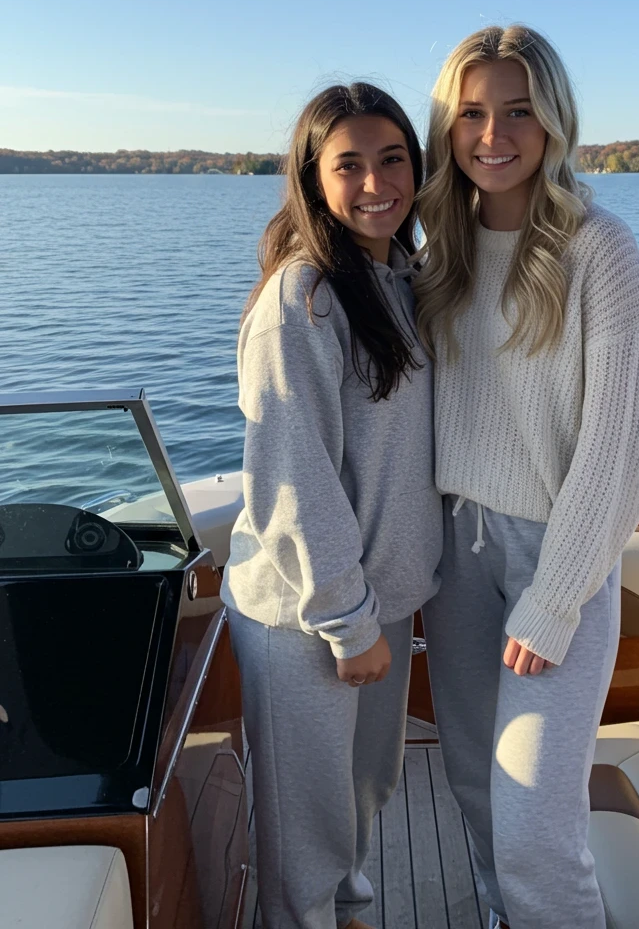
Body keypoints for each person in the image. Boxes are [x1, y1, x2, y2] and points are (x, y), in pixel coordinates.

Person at [415, 25, 639, 929]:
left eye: (518, 110)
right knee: (479, 789)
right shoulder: (436, 252)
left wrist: (556, 597)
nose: (494, 133)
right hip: (455, 555)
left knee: (534, 827)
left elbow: (620, 443)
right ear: (448, 126)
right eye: (472, 112)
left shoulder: (601, 249)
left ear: (553, 120)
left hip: (560, 560)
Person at [222, 83, 443, 929]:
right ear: (314, 179)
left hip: (377, 599)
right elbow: (292, 479)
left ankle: (349, 914)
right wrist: (348, 623)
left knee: (362, 796)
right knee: (307, 831)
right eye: (348, 165)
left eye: (393, 160)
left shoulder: (403, 279)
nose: (376, 182)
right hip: (308, 616)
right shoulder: (303, 299)